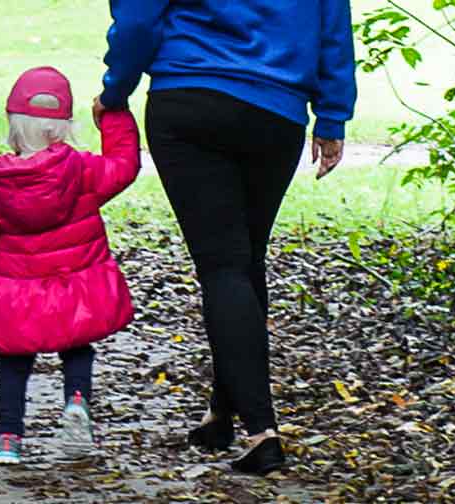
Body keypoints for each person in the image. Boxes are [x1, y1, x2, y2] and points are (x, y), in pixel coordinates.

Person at [98, 0, 357, 475]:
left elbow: (138, 17)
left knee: (224, 266)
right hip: (276, 113)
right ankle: (223, 414)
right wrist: (333, 115)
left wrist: (116, 89)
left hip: (190, 99)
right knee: (244, 261)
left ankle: (262, 432)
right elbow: (333, 24)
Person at [0, 66, 140, 465]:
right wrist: (113, 115)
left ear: (13, 125)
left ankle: (8, 437)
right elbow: (124, 165)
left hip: (16, 294)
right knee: (77, 346)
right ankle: (77, 402)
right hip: (74, 288)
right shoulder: (83, 171)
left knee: (12, 362)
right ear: (64, 127)